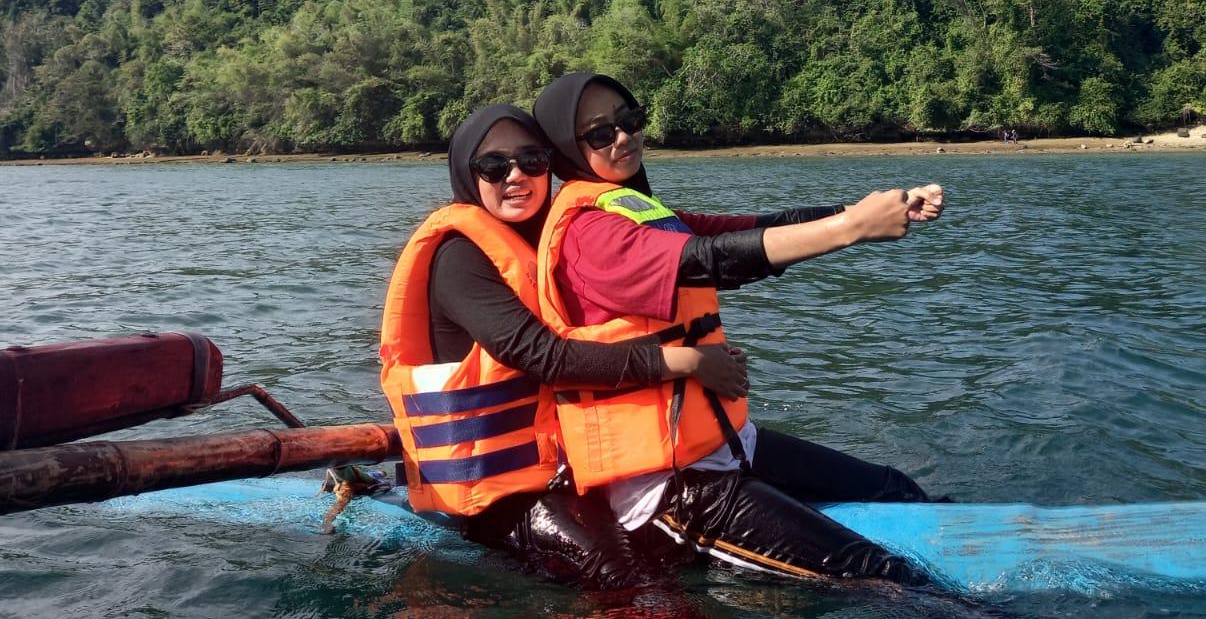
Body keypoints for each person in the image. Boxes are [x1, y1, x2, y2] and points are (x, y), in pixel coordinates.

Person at [532, 72, 945, 583]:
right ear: (564, 149)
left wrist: (861, 211)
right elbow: (710, 260)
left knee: (894, 488)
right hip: (667, 489)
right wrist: (850, 229)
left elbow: (753, 231)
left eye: (630, 121)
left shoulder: (638, 212)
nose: (623, 137)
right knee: (877, 573)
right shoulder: (588, 234)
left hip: (725, 446)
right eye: (599, 133)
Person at [377, 102, 747, 590]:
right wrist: (688, 361)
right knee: (634, 586)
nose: (517, 175)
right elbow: (542, 356)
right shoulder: (459, 258)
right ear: (468, 175)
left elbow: (708, 245)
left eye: (532, 161)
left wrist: (840, 225)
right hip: (501, 495)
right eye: (494, 165)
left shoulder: (557, 237)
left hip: (572, 468)